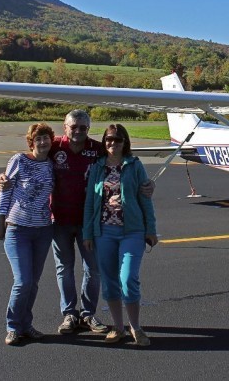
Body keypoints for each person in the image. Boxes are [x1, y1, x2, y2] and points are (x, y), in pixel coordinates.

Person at [0, 110, 154, 336]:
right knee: (65, 268)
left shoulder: (96, 149)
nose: (78, 131)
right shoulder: (54, 146)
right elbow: (29, 159)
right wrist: (3, 178)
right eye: (74, 127)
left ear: (88, 129)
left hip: (90, 222)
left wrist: (147, 184)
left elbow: (120, 159)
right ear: (65, 127)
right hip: (59, 219)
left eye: (83, 127)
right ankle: (69, 313)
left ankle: (88, 313)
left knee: (93, 268)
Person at [83, 124, 158, 347]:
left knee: (128, 279)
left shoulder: (134, 165)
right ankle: (118, 327)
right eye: (108, 139)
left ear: (125, 142)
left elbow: (145, 198)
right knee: (109, 281)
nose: (112, 143)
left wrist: (151, 229)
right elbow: (89, 203)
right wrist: (88, 233)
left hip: (131, 231)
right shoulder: (97, 167)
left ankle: (136, 327)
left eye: (117, 139)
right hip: (104, 231)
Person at [0, 123, 55, 346]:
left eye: (46, 138)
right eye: (38, 138)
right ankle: (12, 327)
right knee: (22, 281)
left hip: (43, 229)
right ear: (31, 142)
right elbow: (5, 190)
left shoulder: (51, 165)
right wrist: (0, 223)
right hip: (17, 228)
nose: (42, 142)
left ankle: (26, 325)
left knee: (34, 282)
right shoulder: (19, 160)